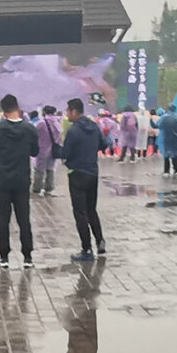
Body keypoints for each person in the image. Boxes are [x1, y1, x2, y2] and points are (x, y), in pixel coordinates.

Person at [0, 93, 39, 266]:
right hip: (22, 179)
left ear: (3, 111)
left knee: (3, 218)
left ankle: (4, 257)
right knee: (24, 218)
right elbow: (35, 152)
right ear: (17, 107)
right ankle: (27, 257)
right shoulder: (29, 128)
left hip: (3, 180)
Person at [62, 97, 106, 260]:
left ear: (74, 111)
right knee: (91, 209)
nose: (67, 114)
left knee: (80, 213)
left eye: (68, 111)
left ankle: (86, 250)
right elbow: (104, 144)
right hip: (93, 173)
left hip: (77, 174)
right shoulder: (94, 126)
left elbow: (65, 154)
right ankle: (100, 241)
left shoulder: (73, 131)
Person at [34, 101, 63, 196]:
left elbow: (34, 133)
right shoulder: (57, 122)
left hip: (42, 150)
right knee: (50, 168)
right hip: (54, 151)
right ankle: (49, 187)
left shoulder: (41, 123)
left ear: (44, 112)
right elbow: (59, 136)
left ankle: (37, 188)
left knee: (39, 169)